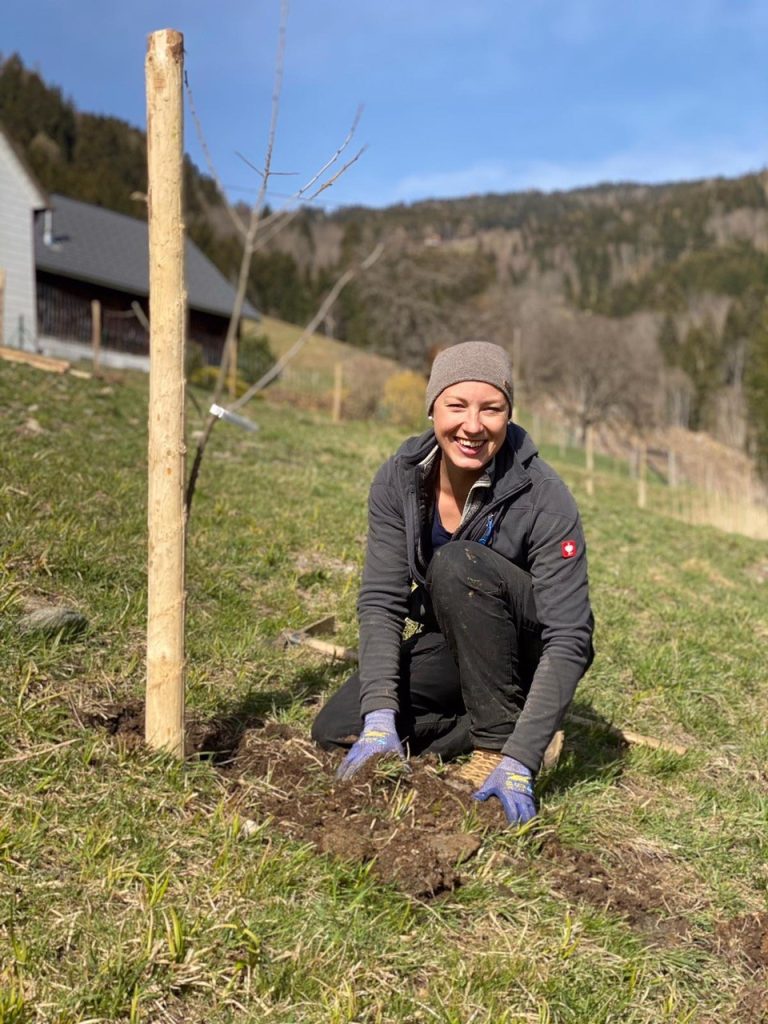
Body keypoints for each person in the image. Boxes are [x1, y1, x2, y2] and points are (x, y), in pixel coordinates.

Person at [311, 340, 594, 824]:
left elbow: (570, 637)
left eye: (492, 408)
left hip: (526, 649)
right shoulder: (399, 480)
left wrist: (518, 758)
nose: (473, 425)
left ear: (509, 414)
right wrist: (379, 717)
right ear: (432, 409)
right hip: (456, 642)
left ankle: (499, 743)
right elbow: (381, 602)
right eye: (457, 405)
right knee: (338, 728)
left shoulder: (545, 497)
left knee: (457, 563)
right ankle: (520, 727)